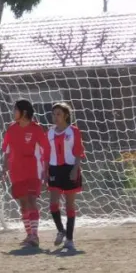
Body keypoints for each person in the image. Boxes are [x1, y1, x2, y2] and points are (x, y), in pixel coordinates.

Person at [1, 99, 50, 247]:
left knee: (31, 199)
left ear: (24, 113)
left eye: (15, 110)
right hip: (16, 171)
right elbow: (7, 150)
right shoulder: (11, 129)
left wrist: (46, 171)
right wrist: (4, 169)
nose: (13, 112)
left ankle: (35, 235)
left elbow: (45, 150)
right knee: (23, 204)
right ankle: (29, 234)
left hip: (33, 170)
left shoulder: (37, 129)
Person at [46, 102, 84, 250]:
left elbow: (79, 151)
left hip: (70, 168)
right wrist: (45, 171)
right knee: (53, 204)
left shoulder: (73, 131)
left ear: (66, 115)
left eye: (58, 114)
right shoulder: (49, 133)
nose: (55, 117)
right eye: (53, 114)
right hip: (54, 169)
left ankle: (69, 238)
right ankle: (60, 230)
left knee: (69, 204)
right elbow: (46, 154)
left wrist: (75, 168)